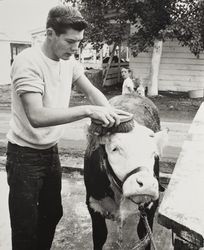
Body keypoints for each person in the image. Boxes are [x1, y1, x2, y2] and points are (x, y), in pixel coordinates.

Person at [5, 5, 130, 250]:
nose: (75, 48)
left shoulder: (69, 62)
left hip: (50, 152)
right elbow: (37, 116)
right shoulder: (27, 62)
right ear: (50, 33)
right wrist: (87, 111)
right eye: (70, 41)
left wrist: (112, 114)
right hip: (23, 156)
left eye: (79, 42)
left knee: (52, 213)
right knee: (25, 227)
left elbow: (92, 91)